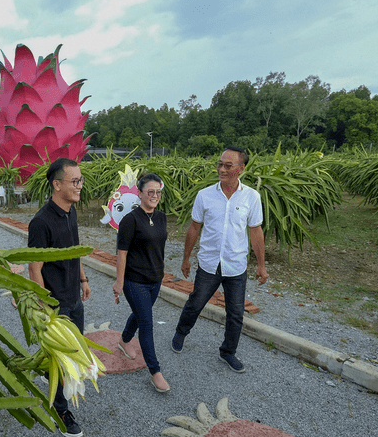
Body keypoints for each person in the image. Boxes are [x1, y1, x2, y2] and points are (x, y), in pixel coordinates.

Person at [171, 146, 268, 373]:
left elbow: (255, 231)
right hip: (209, 264)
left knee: (235, 313)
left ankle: (228, 352)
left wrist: (262, 266)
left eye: (228, 165)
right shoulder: (204, 195)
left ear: (241, 169)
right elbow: (194, 227)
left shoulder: (252, 197)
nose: (221, 169)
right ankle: (180, 333)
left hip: (236, 267)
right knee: (195, 303)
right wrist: (186, 258)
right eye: (220, 164)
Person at [28, 157, 91, 437]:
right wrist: (44, 308)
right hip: (56, 305)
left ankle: (46, 368)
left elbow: (75, 250)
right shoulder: (40, 222)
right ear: (57, 185)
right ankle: (61, 409)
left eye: (80, 180)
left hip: (74, 297)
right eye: (74, 181)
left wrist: (83, 279)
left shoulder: (71, 211)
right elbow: (34, 266)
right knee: (66, 362)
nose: (80, 186)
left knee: (69, 355)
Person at [113, 173, 170, 392]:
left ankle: (125, 339)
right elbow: (122, 253)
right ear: (140, 193)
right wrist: (119, 281)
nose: (155, 195)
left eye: (158, 192)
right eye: (150, 192)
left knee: (140, 314)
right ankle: (155, 371)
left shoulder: (161, 217)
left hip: (155, 279)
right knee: (147, 323)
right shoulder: (130, 220)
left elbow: (158, 248)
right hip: (134, 281)